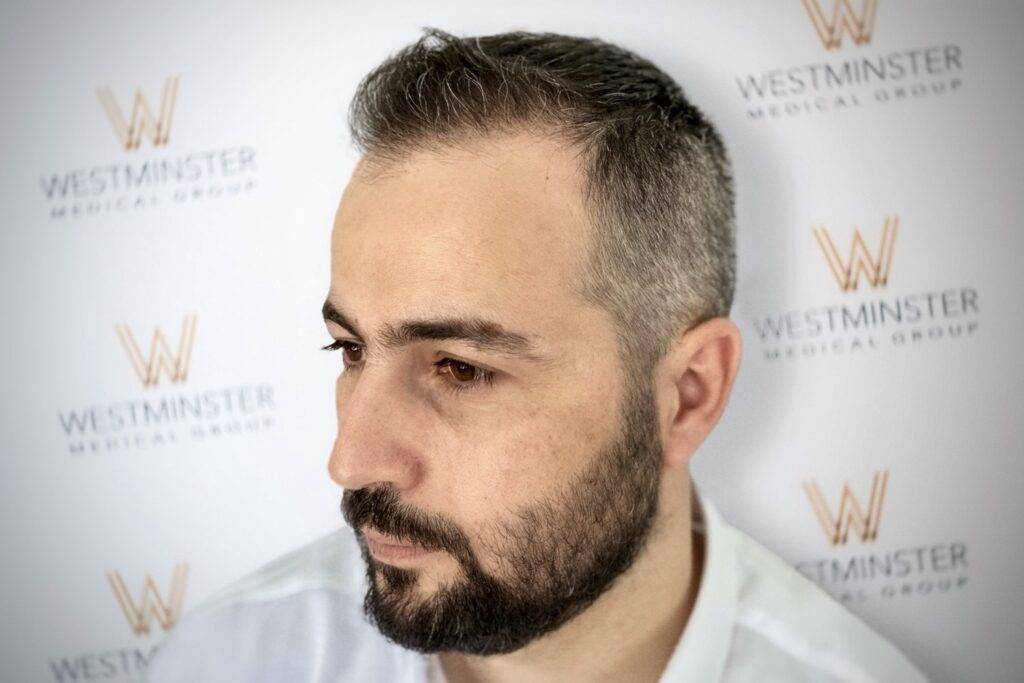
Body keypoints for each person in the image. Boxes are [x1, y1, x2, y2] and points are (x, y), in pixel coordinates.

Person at [146, 27, 927, 682]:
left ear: (687, 394)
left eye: (460, 366)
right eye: (350, 350)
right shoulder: (230, 661)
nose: (350, 460)